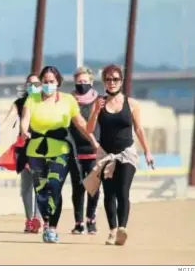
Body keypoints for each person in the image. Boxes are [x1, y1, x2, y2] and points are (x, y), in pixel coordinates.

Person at [20, 65, 98, 243]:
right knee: (41, 190)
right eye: (45, 81)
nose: (48, 84)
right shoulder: (32, 99)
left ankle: (52, 228)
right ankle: (45, 222)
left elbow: (80, 123)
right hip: (36, 149)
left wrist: (94, 141)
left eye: (51, 81)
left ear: (58, 82)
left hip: (60, 149)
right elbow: (25, 119)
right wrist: (25, 132)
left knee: (54, 186)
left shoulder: (68, 100)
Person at [87, 64, 154, 246]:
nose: (112, 82)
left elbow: (139, 129)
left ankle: (122, 228)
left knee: (122, 190)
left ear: (121, 81)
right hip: (106, 155)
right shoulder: (99, 102)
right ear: (104, 82)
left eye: (115, 79)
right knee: (109, 193)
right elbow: (89, 129)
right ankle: (112, 230)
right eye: (108, 79)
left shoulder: (131, 104)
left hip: (126, 153)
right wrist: (95, 112)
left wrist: (147, 151)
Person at [1, 73, 43, 233]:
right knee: (26, 186)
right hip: (23, 147)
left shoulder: (45, 102)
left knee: (40, 184)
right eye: (30, 83)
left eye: (36, 84)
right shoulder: (19, 103)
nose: (33, 87)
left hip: (42, 147)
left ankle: (37, 218)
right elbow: (7, 123)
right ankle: (29, 219)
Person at [69, 67, 101, 235]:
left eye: (85, 81)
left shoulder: (99, 101)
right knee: (78, 187)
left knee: (93, 187)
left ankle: (91, 219)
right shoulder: (69, 101)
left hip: (95, 150)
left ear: (92, 82)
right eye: (79, 81)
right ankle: (79, 222)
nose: (82, 84)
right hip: (75, 150)